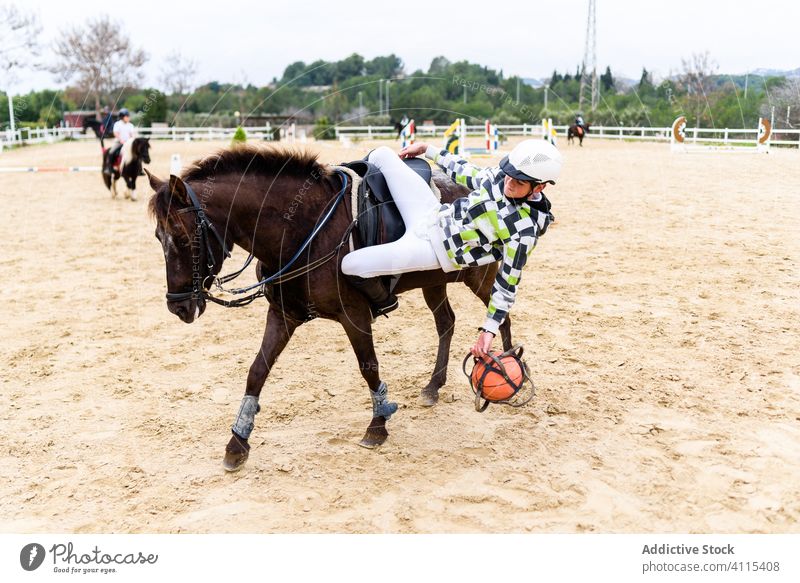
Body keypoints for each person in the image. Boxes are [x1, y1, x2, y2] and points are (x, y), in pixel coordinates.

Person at [341, 139, 561, 358]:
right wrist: (428, 150)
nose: (509, 183)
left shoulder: (524, 233)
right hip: (431, 212)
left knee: (351, 264)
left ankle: (382, 302)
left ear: (539, 187)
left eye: (519, 183)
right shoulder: (502, 178)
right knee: (382, 153)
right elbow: (465, 171)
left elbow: (507, 285)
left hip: (433, 249)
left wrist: (489, 330)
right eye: (509, 174)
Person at [103, 108, 136, 175]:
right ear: (122, 117)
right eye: (127, 116)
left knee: (137, 152)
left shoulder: (130, 125)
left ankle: (139, 169)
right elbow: (116, 133)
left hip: (128, 143)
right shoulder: (117, 124)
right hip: (119, 142)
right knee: (111, 152)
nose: (128, 117)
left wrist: (131, 141)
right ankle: (109, 168)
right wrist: (121, 140)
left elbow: (132, 134)